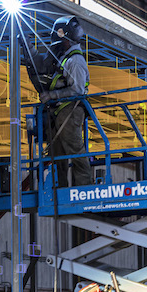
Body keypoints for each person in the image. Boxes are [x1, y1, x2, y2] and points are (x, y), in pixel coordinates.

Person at [33, 16, 89, 185]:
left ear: (64, 37)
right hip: (61, 110)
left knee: (74, 149)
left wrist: (52, 96)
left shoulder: (75, 61)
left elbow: (77, 90)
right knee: (58, 152)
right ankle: (61, 189)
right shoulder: (67, 57)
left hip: (71, 109)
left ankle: (84, 187)